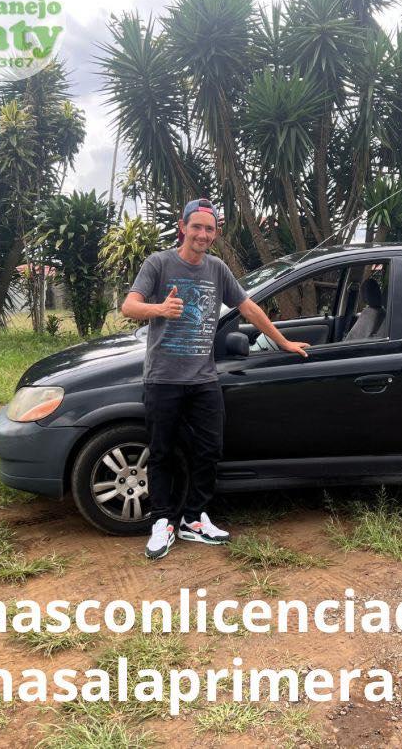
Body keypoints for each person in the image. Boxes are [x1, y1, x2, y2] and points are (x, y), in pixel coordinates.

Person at [121, 198, 310, 560]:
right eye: (197, 227)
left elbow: (248, 306)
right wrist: (159, 309)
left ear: (214, 233)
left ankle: (194, 518)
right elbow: (129, 305)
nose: (203, 234)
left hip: (203, 379)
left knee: (210, 449)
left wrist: (282, 341)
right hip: (163, 378)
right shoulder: (159, 263)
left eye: (209, 229)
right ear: (183, 227)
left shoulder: (217, 269)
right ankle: (162, 521)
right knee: (160, 452)